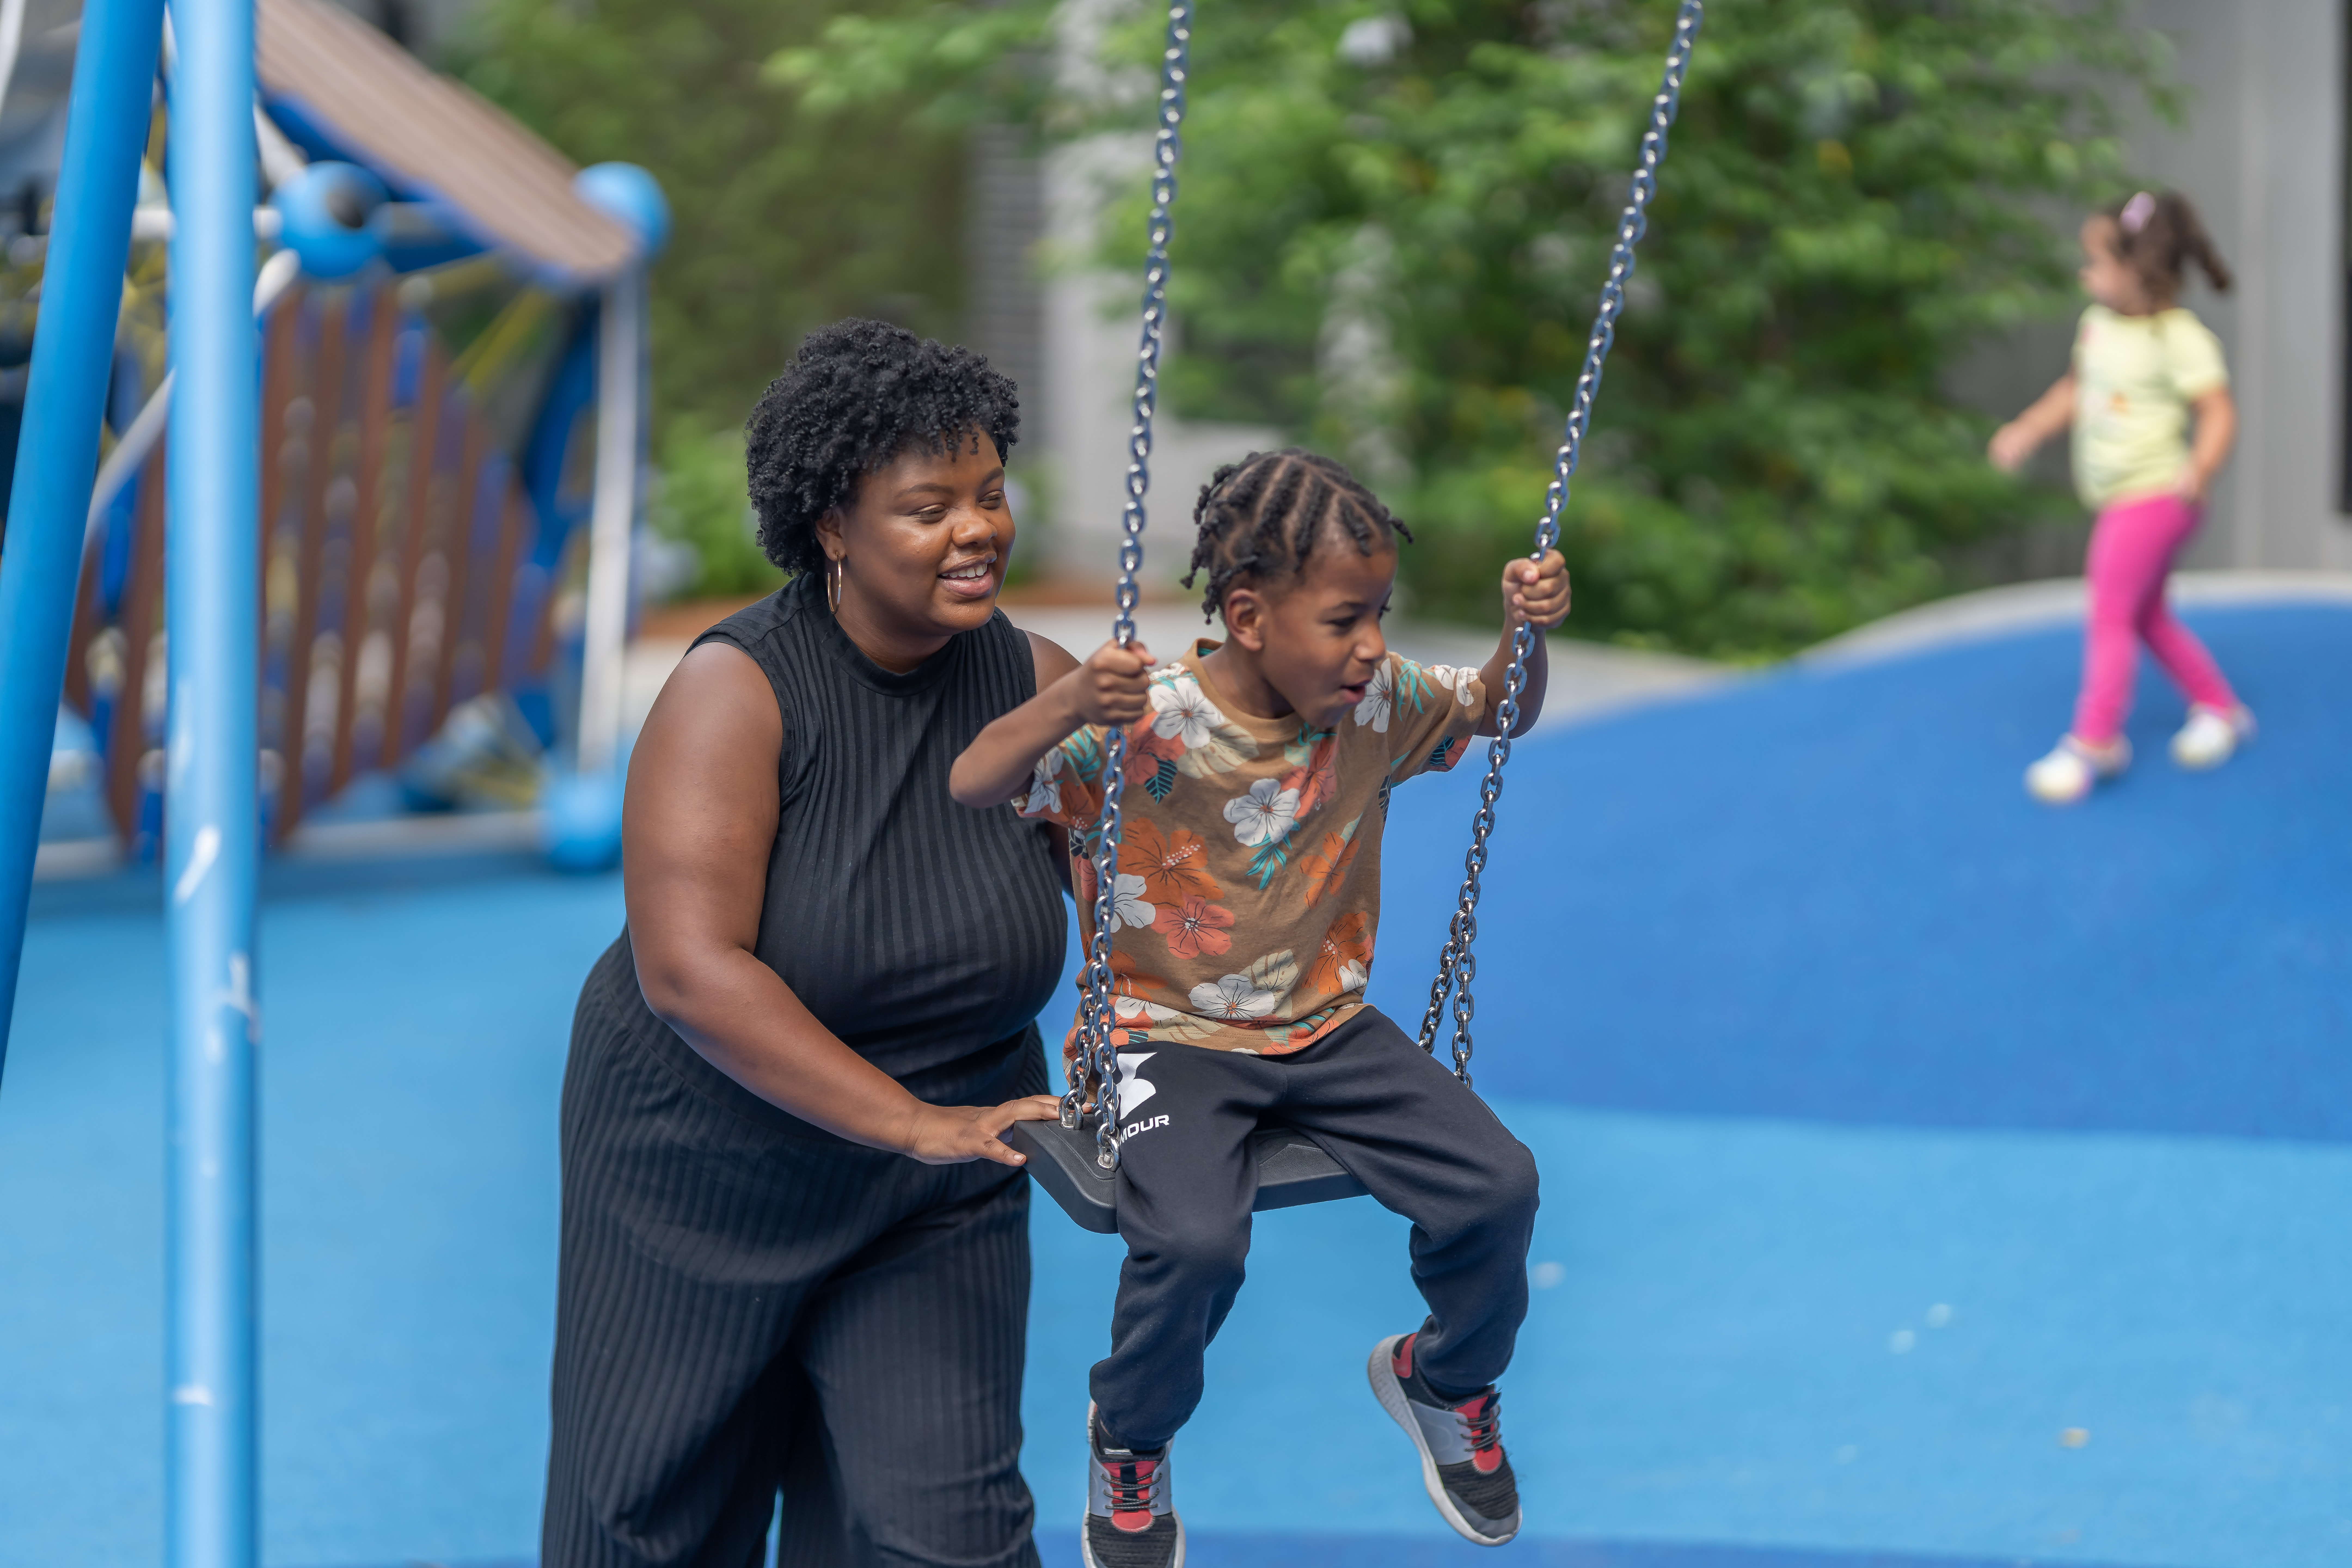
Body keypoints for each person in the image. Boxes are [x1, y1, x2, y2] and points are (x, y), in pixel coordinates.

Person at [950, 448, 1569, 1567]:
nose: (1372, 644)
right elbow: (975, 782)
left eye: (1379, 614)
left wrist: (1526, 636)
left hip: (1327, 1030)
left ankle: (1444, 1380)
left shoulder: (1374, 702)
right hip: (1166, 1037)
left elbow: (1500, 710)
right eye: (1345, 619)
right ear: (1247, 615)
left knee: (1500, 1186)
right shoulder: (1151, 723)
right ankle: (1130, 1441)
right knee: (1193, 1244)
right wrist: (1069, 702)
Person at [542, 319, 1085, 1568]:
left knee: (947, 1533)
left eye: (991, 493)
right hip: (707, 1157)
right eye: (927, 505)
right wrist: (908, 1121)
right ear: (833, 525)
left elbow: (1142, 916)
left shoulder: (1041, 685)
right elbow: (690, 971)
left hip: (943, 1167)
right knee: (652, 1520)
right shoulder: (736, 690)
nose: (976, 528)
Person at [1989, 188, 2249, 805]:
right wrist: (2028, 428)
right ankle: (2220, 707)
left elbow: (2218, 412)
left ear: (2139, 271)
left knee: (2108, 613)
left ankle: (2095, 743)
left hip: (2159, 497)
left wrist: (2200, 467)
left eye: (2097, 262)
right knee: (2146, 617)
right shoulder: (2098, 326)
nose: (2086, 273)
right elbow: (2075, 390)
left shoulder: (2178, 338)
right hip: (2121, 498)